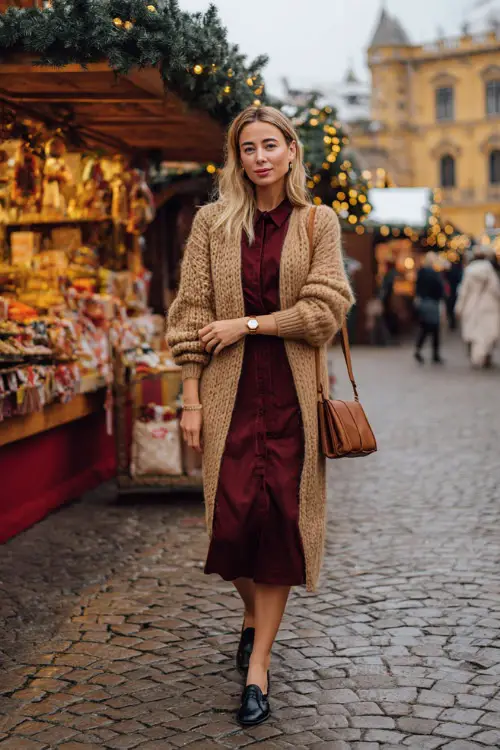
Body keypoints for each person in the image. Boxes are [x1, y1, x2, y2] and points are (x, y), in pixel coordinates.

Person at [166, 105, 353, 727]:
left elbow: (325, 309)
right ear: (237, 158)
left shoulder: (316, 222)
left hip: (295, 398)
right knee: (232, 524)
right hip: (229, 396)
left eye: (270, 145)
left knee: (281, 522)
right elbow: (190, 315)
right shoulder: (213, 225)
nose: (260, 157)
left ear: (293, 151)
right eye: (248, 148)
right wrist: (190, 398)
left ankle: (258, 669)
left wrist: (250, 323)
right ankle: (250, 612)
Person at [455, 245, 500, 368]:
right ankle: (484, 356)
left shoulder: (469, 270)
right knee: (487, 331)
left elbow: (463, 291)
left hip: (472, 304)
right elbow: (496, 289)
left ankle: (477, 357)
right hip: (489, 304)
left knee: (475, 332)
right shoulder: (489, 270)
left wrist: (459, 307)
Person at [414, 251, 445, 364]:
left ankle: (419, 349)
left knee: (425, 327)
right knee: (434, 328)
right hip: (432, 302)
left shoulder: (421, 272)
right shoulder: (434, 274)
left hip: (423, 301)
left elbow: (417, 286)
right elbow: (439, 289)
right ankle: (434, 354)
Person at [379, 259, 400, 344]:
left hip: (389, 300)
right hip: (389, 301)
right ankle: (389, 337)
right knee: (389, 319)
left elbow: (386, 289)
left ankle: (389, 337)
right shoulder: (392, 274)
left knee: (389, 319)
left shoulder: (390, 275)